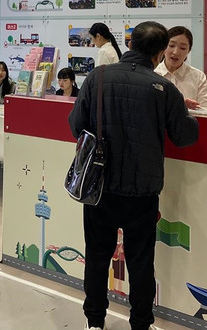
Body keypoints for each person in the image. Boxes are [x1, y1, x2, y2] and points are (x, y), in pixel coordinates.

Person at [69, 21, 199, 330]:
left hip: (99, 186)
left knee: (97, 257)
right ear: (159, 53)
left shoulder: (98, 77)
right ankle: (141, 323)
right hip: (142, 190)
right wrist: (189, 115)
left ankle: (94, 322)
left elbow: (76, 125)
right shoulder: (164, 89)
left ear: (130, 44)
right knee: (141, 262)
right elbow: (183, 136)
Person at [154, 26, 207, 110]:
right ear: (164, 47)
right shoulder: (152, 73)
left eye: (183, 48)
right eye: (171, 45)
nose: (176, 52)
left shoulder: (198, 76)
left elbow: (204, 110)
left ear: (188, 51)